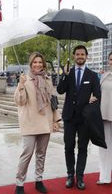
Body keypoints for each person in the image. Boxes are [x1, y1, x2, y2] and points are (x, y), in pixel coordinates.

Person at [14, 52, 61, 194]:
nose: (38, 65)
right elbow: (19, 101)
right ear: (30, 64)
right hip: (29, 122)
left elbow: (53, 101)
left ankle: (39, 180)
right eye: (35, 62)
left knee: (41, 154)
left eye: (40, 62)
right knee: (26, 154)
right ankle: (19, 183)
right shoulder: (25, 79)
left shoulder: (47, 79)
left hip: (45, 121)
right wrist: (21, 85)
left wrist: (55, 119)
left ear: (43, 64)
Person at [57, 45, 101, 190]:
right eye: (77, 54)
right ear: (74, 56)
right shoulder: (68, 73)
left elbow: (97, 96)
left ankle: (80, 177)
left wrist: (90, 101)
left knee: (82, 148)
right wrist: (64, 73)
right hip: (69, 117)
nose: (80, 56)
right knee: (68, 147)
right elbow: (60, 90)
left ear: (86, 56)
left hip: (84, 118)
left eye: (82, 54)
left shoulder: (92, 75)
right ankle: (70, 175)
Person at [97, 52, 112, 184]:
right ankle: (104, 177)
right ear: (108, 61)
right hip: (105, 116)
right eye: (111, 59)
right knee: (104, 147)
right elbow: (97, 93)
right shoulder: (103, 76)